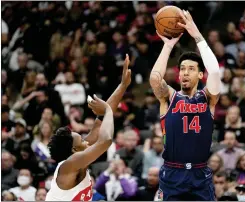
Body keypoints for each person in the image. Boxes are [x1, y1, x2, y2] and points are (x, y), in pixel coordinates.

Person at [149, 10, 221, 201]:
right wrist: (167, 46)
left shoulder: (207, 98)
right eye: (182, 69)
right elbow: (155, 79)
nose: (185, 72)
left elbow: (214, 71)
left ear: (200, 75)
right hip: (172, 173)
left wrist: (197, 35)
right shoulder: (169, 97)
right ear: (178, 75)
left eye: (191, 69)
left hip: (200, 174)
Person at [45, 55, 132, 201]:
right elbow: (106, 140)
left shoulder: (76, 157)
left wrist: (123, 85)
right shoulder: (69, 165)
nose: (87, 142)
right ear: (74, 150)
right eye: (82, 141)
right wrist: (109, 112)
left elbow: (101, 121)